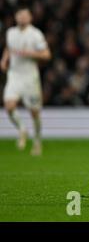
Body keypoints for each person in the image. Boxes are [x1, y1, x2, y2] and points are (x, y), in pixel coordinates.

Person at [1, 8, 52, 156]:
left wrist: (31, 53)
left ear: (30, 18)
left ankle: (37, 141)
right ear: (16, 17)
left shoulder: (35, 34)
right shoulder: (10, 32)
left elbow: (47, 54)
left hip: (30, 77)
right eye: (20, 15)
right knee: (9, 106)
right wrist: (4, 60)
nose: (22, 17)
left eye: (25, 15)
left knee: (34, 112)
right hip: (14, 75)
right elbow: (9, 48)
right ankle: (22, 129)